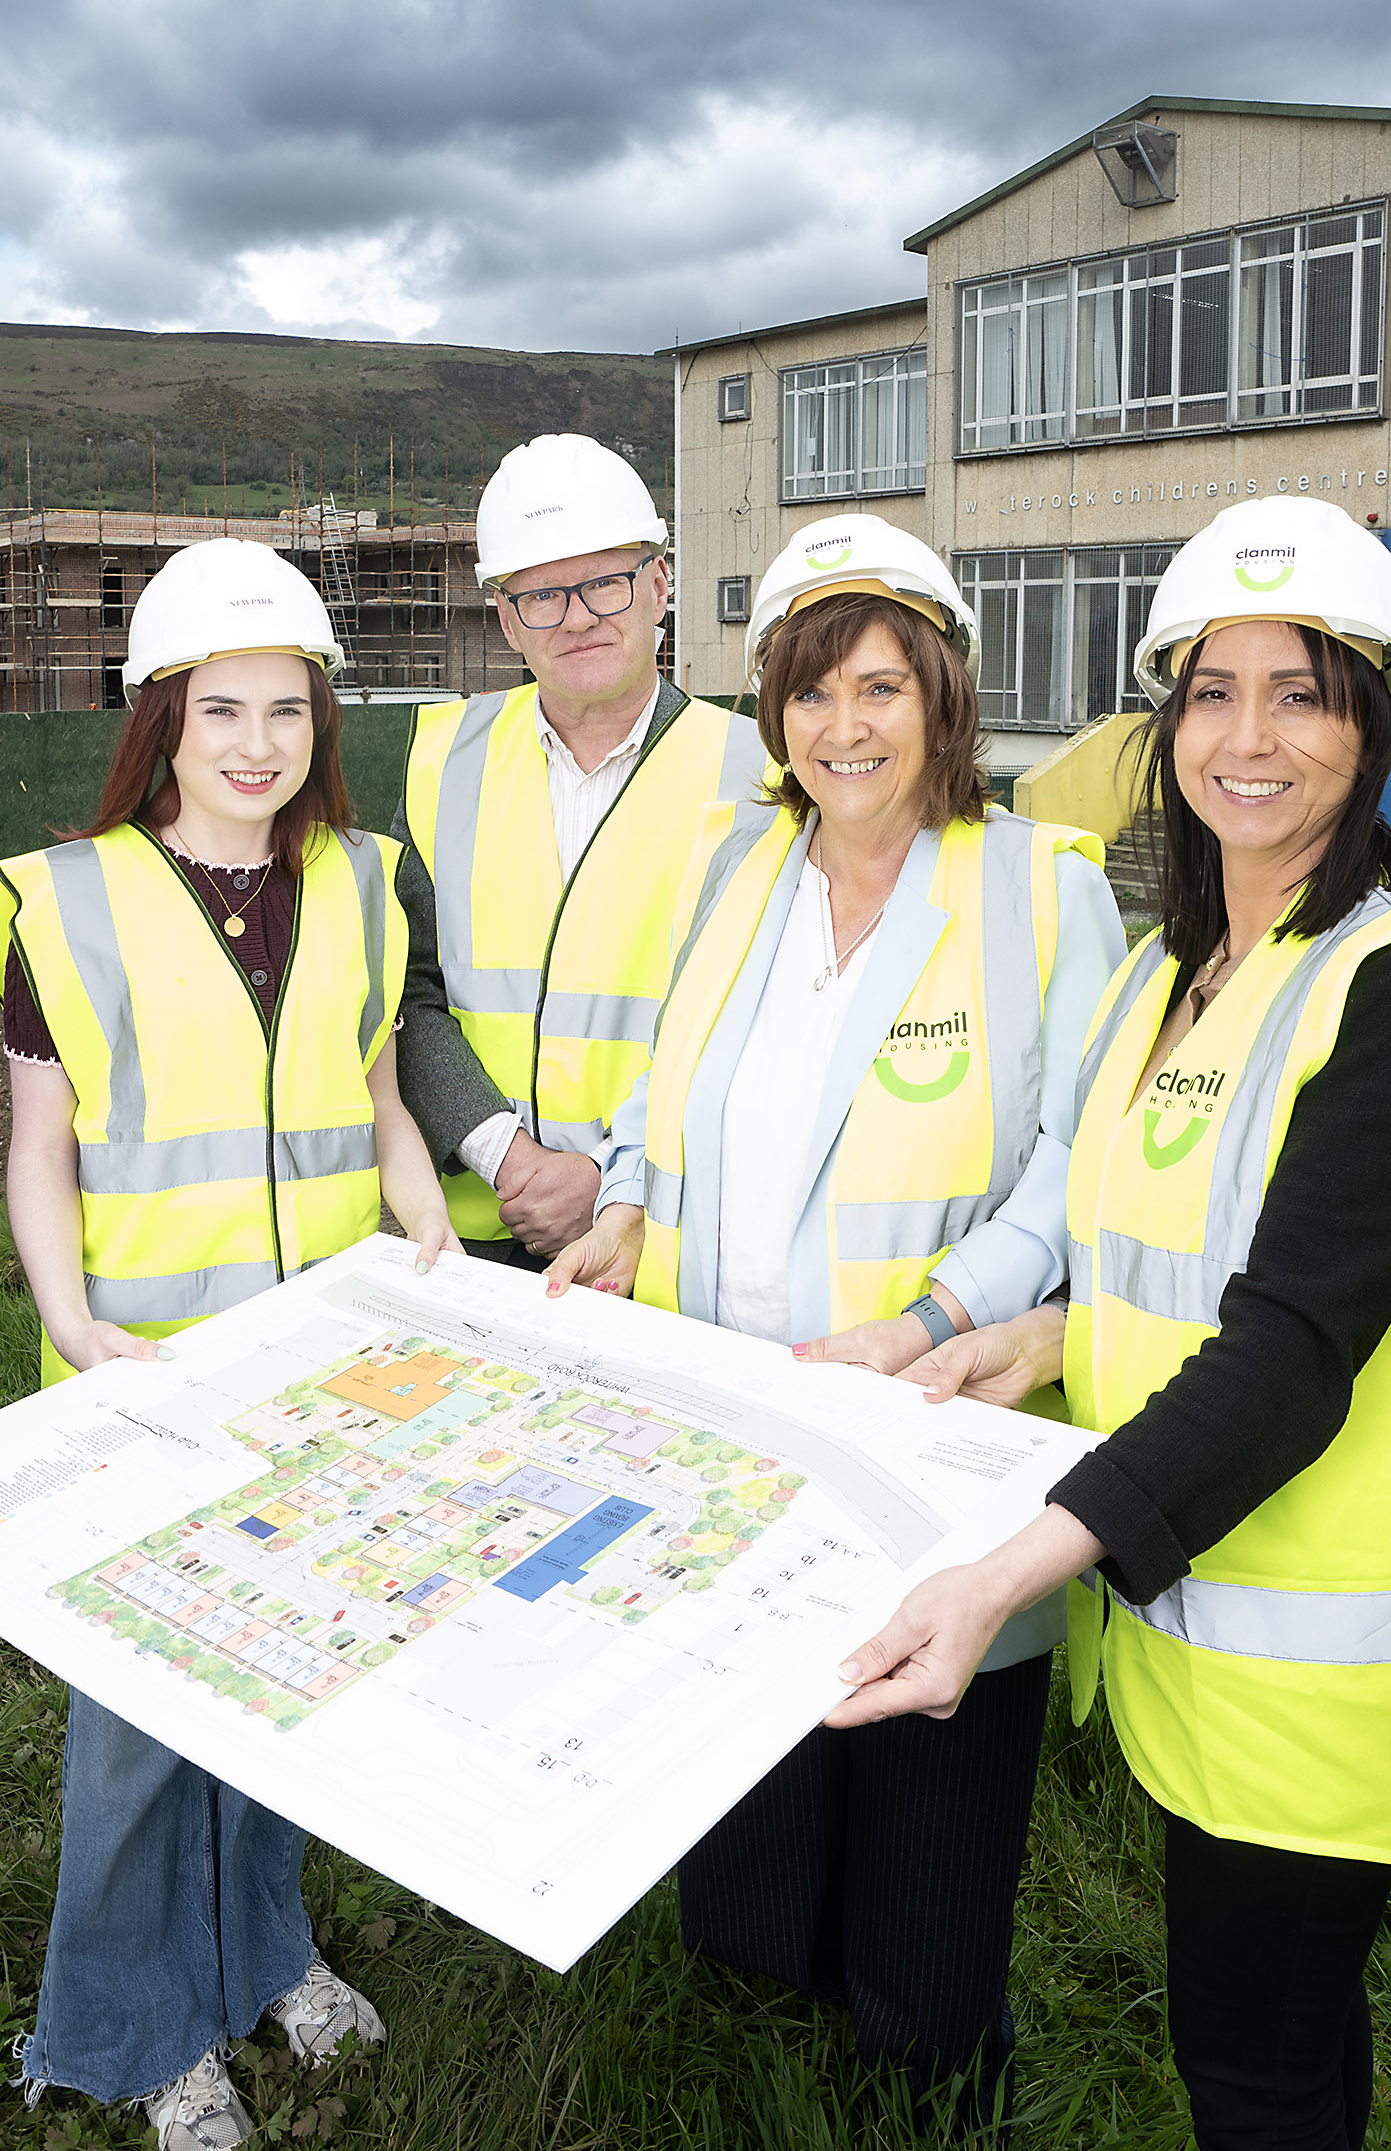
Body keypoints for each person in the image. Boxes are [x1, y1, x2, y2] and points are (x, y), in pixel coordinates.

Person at [822, 499, 1391, 2151]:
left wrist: (1007, 1569)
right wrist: (1037, 1340)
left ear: (1376, 719)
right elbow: (1175, 1262)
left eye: (1303, 692)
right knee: (1271, 2044)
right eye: (1211, 692)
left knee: (1255, 2066)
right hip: (1200, 1632)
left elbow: (1293, 1343)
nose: (1249, 737)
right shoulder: (1170, 973)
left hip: (1326, 1662)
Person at [543, 510, 1124, 2116]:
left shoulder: (1033, 887)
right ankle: (759, 1981)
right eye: (810, 693)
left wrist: (945, 1309)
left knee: (926, 1745)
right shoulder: (741, 866)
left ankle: (927, 2058)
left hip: (929, 1405)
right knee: (751, 1740)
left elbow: (1088, 1155)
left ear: (941, 696)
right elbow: (670, 1081)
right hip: (730, 1397)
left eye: (879, 688)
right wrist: (627, 1204)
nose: (843, 728)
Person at [0, 536, 459, 2151]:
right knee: (132, 1743)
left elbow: (382, 1096)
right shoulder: (65, 899)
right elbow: (36, 1142)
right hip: (146, 1380)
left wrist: (432, 1230)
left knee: (275, 1698)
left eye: (287, 710)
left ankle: (263, 1957)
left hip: (324, 1383)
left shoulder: (364, 881)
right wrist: (65, 1316)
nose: (257, 743)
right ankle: (132, 2033)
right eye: (220, 710)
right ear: (160, 720)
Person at [398, 433, 771, 1261]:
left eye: (606, 582)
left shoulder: (759, 772)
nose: (579, 617)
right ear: (505, 617)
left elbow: (765, 1015)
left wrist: (608, 1177)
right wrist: (508, 1157)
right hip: (484, 1223)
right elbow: (407, 993)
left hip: (669, 1231)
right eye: (543, 596)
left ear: (659, 585)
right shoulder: (442, 759)